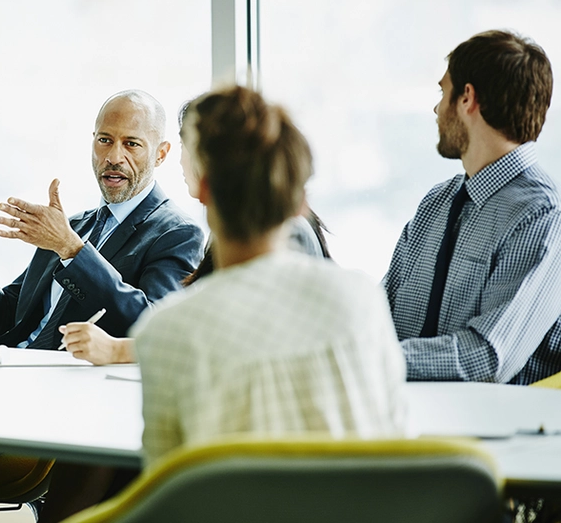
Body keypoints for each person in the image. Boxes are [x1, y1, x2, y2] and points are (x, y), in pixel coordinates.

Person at [134, 85, 408, 464]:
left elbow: (165, 481)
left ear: (204, 189)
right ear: (300, 201)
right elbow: (398, 442)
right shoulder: (362, 298)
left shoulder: (166, 333)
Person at [0, 90, 204, 350]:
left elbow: (153, 328)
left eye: (131, 144)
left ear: (161, 154)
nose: (113, 157)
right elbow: (1, 322)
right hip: (14, 369)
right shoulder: (72, 227)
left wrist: (72, 250)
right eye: (105, 140)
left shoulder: (177, 233)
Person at [60, 101, 332, 366]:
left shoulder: (283, 232)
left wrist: (116, 350)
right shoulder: (236, 230)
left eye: (185, 146)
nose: (181, 161)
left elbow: (239, 340)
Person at [383, 30, 560, 385]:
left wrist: (368, 360)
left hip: (490, 419)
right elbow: (380, 314)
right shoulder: (435, 204)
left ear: (467, 98)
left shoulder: (542, 217)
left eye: (442, 93)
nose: (436, 110)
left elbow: (487, 357)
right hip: (403, 409)